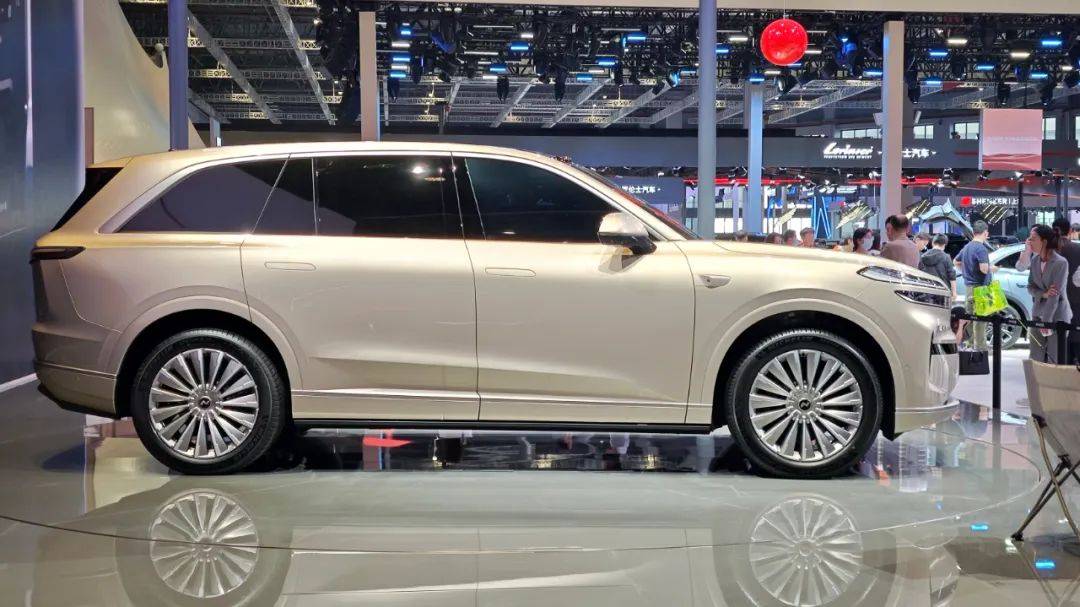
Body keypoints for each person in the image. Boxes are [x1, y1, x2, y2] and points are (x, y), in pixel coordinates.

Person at [1026, 224, 1073, 363]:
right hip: (1037, 315)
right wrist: (1043, 294)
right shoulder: (1034, 260)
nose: (1029, 241)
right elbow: (1030, 287)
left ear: (1044, 241)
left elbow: (1055, 295)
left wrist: (1046, 322)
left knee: (1054, 360)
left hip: (1058, 317)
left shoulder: (1060, 263)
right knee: (1034, 359)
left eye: (1033, 238)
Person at [956, 221, 993, 350]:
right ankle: (980, 349)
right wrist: (992, 269)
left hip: (969, 288)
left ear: (973, 232)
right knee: (981, 320)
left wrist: (967, 271)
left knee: (971, 318)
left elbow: (956, 261)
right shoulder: (981, 248)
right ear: (985, 233)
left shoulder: (967, 247)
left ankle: (970, 345)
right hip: (980, 288)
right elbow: (984, 269)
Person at [1048, 218, 1080, 363]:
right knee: (1075, 341)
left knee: (1057, 347)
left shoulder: (1048, 251)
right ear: (1070, 231)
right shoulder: (1077, 249)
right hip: (1075, 302)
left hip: (1052, 304)